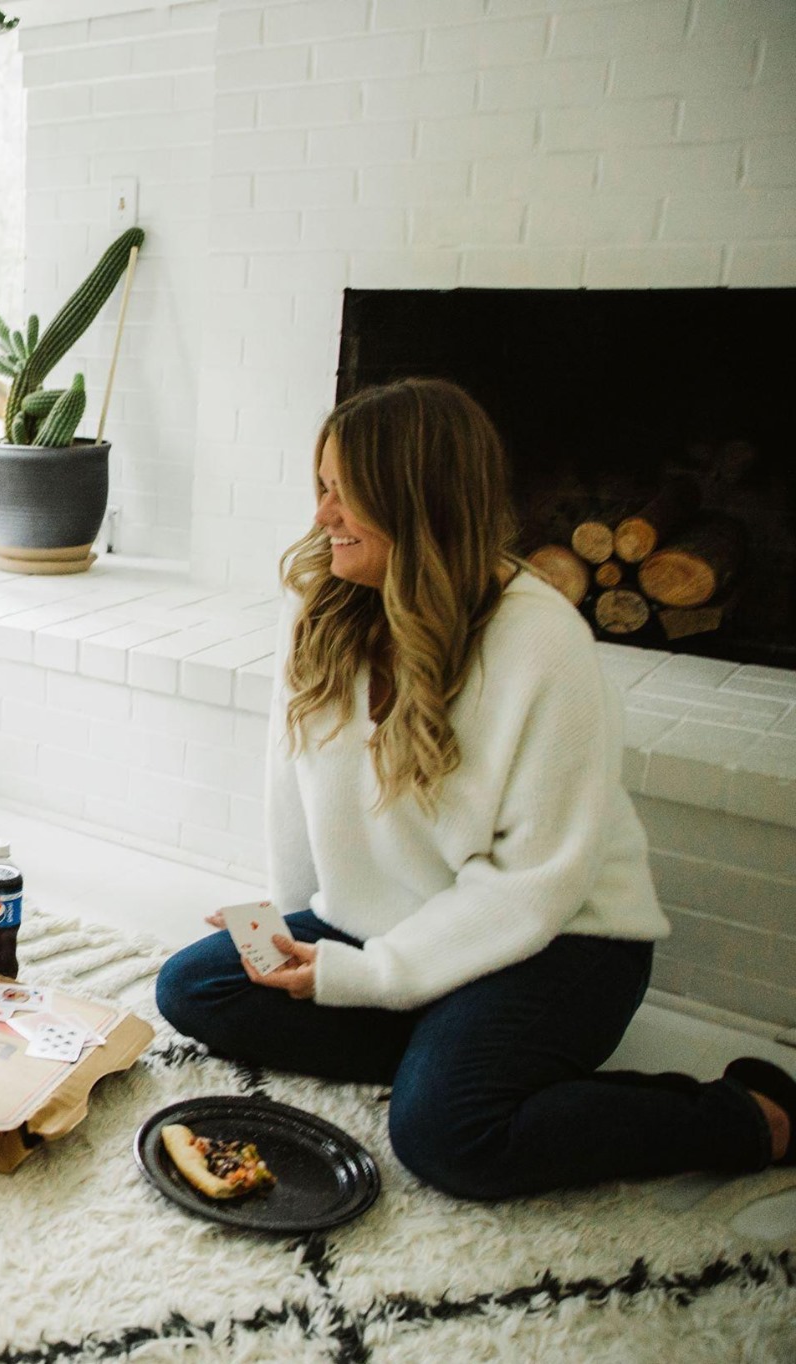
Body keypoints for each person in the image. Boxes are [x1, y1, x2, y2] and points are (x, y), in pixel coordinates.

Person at [154, 377, 794, 1199]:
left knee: (447, 1138)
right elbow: (294, 787)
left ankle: (749, 1117)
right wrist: (290, 929)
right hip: (395, 925)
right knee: (194, 987)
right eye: (321, 487)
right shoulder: (322, 604)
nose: (322, 515)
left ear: (417, 499)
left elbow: (536, 884)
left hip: (561, 942)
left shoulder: (542, 641)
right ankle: (449, 1045)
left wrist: (374, 978)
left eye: (346, 494)